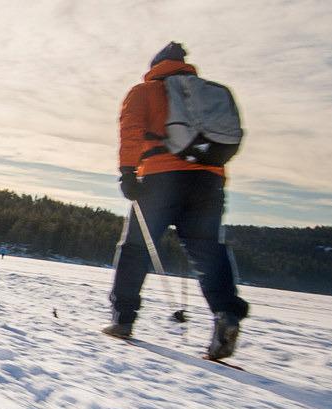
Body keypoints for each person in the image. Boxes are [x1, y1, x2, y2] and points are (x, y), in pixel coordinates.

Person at [105, 41, 251, 360]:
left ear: (155, 65)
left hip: (160, 178)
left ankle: (123, 319)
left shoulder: (143, 93)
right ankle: (226, 313)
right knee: (207, 250)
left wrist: (128, 171)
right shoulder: (204, 94)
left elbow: (130, 131)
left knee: (136, 247)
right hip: (208, 181)